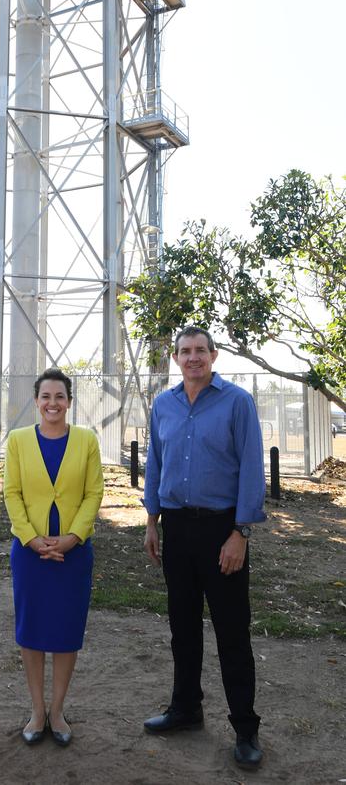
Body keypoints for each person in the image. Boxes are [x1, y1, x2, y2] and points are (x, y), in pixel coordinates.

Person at [142, 326, 266, 770]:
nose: (193, 358)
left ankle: (246, 729)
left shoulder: (237, 402)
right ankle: (186, 709)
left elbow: (252, 469)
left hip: (222, 532)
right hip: (176, 529)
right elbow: (156, 462)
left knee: (232, 633)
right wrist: (152, 521)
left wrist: (241, 533)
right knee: (183, 627)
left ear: (213, 356)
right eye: (185, 352)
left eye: (200, 351)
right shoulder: (164, 405)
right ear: (175, 359)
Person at [4, 367, 104, 747]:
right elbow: (11, 494)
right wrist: (32, 540)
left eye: (59, 397)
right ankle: (36, 710)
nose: (52, 403)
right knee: (31, 631)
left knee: (65, 632)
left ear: (69, 402)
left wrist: (72, 538)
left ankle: (58, 711)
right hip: (30, 554)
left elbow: (94, 493)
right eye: (45, 397)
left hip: (73, 555)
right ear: (36, 401)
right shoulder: (17, 441)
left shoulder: (86, 441)